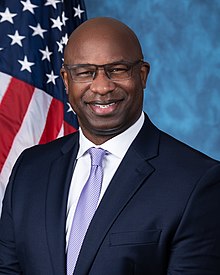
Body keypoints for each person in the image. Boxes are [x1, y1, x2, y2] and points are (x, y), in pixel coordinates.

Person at [0, 17, 220, 275]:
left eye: (117, 70)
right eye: (85, 72)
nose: (102, 87)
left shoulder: (198, 181)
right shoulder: (30, 168)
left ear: (142, 75)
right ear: (67, 80)